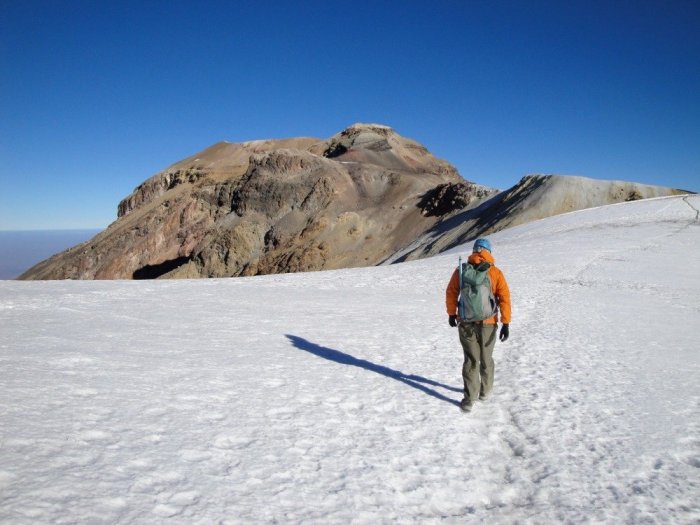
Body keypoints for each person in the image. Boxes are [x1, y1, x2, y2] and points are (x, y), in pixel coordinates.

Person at [445, 238, 511, 412]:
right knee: (486, 359)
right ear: (489, 252)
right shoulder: (495, 272)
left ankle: (469, 399)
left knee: (471, 360)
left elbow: (451, 292)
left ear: (474, 251)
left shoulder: (461, 271)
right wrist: (506, 322)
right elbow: (504, 298)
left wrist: (452, 314)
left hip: (466, 323)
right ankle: (485, 392)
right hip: (488, 323)